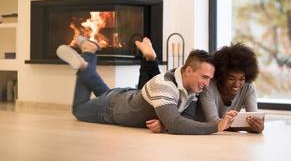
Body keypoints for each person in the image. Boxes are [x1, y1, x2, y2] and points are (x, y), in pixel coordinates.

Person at [56, 36, 236, 135]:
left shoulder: (190, 86)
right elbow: (176, 123)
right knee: (78, 110)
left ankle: (88, 57)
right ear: (188, 70)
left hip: (125, 97)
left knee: (107, 94)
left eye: (209, 79)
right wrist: (216, 126)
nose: (207, 83)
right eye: (205, 77)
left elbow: (184, 117)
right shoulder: (165, 85)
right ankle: (86, 58)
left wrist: (164, 125)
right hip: (111, 109)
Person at [198, 43, 264, 133]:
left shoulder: (248, 88)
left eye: (242, 79)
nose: (236, 84)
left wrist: (257, 126)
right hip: (202, 136)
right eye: (231, 78)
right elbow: (214, 123)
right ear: (221, 75)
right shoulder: (208, 86)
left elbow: (253, 118)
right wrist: (246, 127)